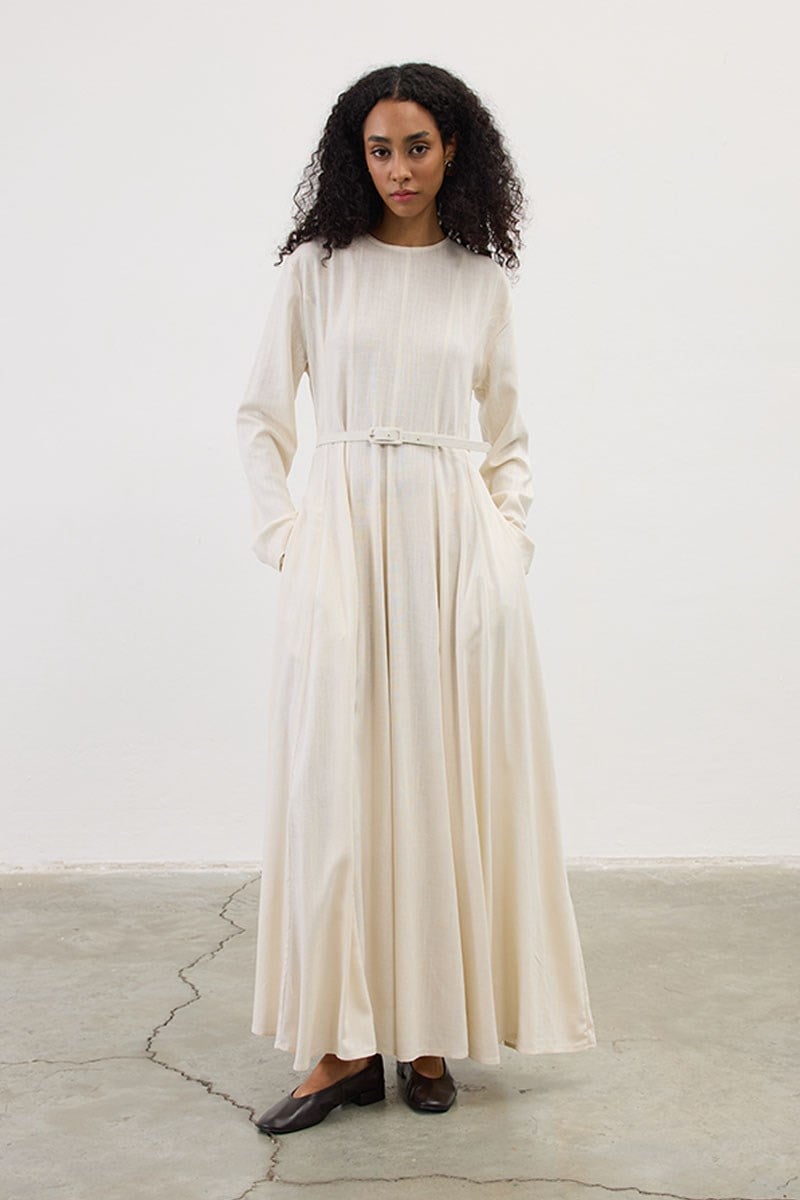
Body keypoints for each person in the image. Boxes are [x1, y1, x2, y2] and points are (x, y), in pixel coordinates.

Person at [236, 61, 597, 1136]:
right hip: (341, 545)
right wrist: (286, 539)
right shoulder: (317, 271)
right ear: (357, 157)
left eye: (418, 147)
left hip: (452, 556)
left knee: (438, 788)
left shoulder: (479, 282)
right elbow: (261, 418)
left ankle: (428, 1032)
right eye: (380, 149)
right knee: (335, 788)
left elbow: (510, 438)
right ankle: (343, 1046)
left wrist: (504, 547)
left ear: (453, 152)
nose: (399, 168)